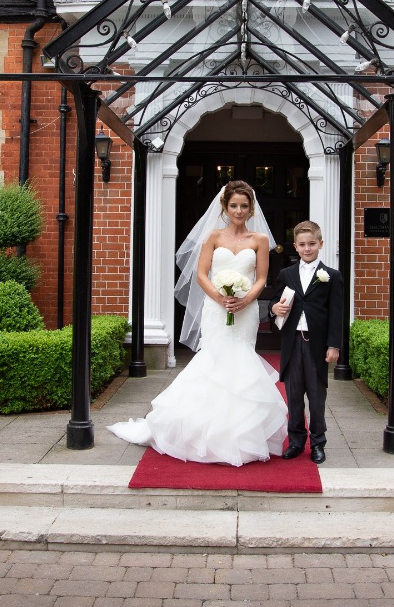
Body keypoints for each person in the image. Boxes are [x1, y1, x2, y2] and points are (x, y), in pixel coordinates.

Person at [107, 180, 288, 466]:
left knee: (242, 364)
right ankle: (203, 433)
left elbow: (262, 278)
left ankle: (240, 436)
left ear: (251, 208)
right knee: (214, 363)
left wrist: (244, 300)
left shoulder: (260, 240)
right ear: (225, 207)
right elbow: (202, 274)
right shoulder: (213, 237)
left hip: (246, 311)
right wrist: (220, 298)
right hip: (216, 310)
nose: (239, 211)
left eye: (244, 205)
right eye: (233, 206)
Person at [269, 220, 344, 464]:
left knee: (316, 395)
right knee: (293, 395)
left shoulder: (331, 276)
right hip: (292, 343)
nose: (307, 248)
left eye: (312, 244)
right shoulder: (285, 274)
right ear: (295, 246)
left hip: (317, 344)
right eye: (302, 244)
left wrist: (334, 345)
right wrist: (274, 309)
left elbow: (336, 314)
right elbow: (274, 306)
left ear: (320, 244)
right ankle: (296, 441)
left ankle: (318, 443)